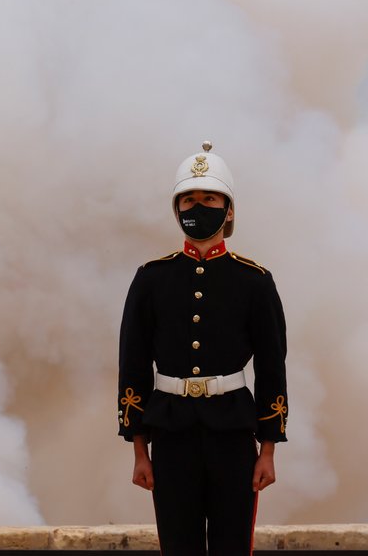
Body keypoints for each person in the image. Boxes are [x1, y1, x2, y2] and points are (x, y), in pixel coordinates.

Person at [117, 141, 287, 555]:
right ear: (177, 209)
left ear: (228, 209)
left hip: (233, 434)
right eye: (188, 199)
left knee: (232, 546)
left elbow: (271, 366)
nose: (198, 206)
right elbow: (133, 365)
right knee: (178, 546)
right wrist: (140, 450)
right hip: (170, 433)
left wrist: (267, 450)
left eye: (209, 197)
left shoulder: (254, 281)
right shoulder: (152, 278)